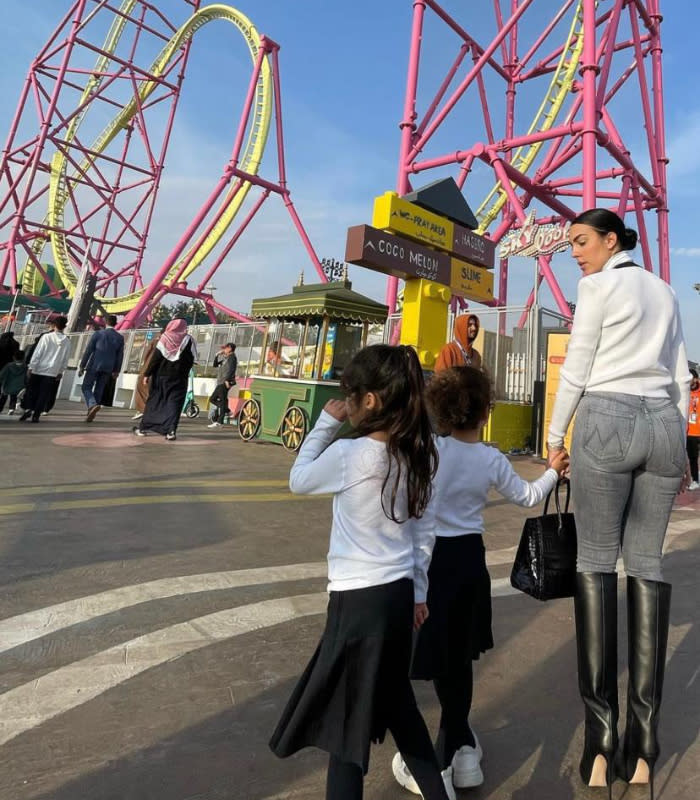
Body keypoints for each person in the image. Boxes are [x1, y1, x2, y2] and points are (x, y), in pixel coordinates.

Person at [546, 209, 690, 795]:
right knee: (648, 564)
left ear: (611, 240)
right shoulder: (664, 291)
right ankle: (646, 747)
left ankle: (602, 743)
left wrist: (555, 437)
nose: (574, 253)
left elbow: (578, 366)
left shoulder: (598, 285)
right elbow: (680, 375)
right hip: (664, 424)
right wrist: (677, 446)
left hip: (606, 416)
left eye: (581, 242)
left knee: (596, 562)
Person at [270, 344, 455, 800]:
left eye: (348, 394)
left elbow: (299, 478)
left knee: (348, 727)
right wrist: (418, 594)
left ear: (369, 401)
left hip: (357, 603)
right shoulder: (416, 455)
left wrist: (324, 424)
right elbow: (422, 534)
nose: (344, 402)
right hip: (395, 597)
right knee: (401, 713)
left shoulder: (350, 455)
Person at [391, 366, 568, 794]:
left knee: (441, 658)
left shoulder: (430, 451)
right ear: (485, 412)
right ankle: (461, 749)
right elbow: (527, 496)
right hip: (471, 561)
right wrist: (553, 470)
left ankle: (444, 762)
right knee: (462, 657)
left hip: (434, 563)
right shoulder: (490, 458)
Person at [133, 319, 197, 441]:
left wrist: (147, 374)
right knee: (175, 403)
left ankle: (143, 428)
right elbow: (191, 359)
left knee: (155, 401)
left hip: (161, 376)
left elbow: (156, 358)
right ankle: (171, 431)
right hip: (180, 378)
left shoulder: (165, 338)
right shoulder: (189, 340)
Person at [19, 315, 71, 423]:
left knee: (32, 391)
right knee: (44, 394)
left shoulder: (46, 337)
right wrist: (61, 371)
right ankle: (36, 415)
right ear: (64, 326)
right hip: (53, 372)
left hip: (39, 368)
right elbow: (65, 358)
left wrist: (31, 367)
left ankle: (28, 408)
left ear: (54, 325)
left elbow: (38, 352)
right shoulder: (67, 341)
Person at [78, 314, 124, 422]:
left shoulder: (98, 334)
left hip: (94, 364)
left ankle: (92, 405)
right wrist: (117, 370)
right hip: (109, 367)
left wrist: (82, 365)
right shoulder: (120, 338)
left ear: (105, 323)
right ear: (115, 323)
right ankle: (91, 412)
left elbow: (89, 350)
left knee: (86, 386)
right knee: (99, 389)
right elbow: (120, 355)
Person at [207, 343, 237, 428]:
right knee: (213, 399)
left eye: (225, 348)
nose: (224, 350)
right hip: (220, 382)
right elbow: (215, 365)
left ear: (230, 348)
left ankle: (219, 421)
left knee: (222, 400)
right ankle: (226, 410)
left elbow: (232, 369)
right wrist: (217, 355)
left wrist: (227, 380)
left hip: (224, 382)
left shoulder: (232, 358)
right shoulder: (225, 358)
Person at [132, 334, 159, 420]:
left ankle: (142, 409)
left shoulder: (157, 339)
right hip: (164, 370)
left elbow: (148, 353)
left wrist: (145, 363)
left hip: (150, 365)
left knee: (142, 385)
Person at [0, 350, 27, 414]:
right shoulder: (25, 366)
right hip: (19, 386)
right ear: (24, 358)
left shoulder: (9, 366)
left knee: (3, 398)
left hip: (8, 385)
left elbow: (2, 374)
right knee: (13, 397)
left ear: (14, 357)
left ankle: (1, 408)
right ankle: (11, 409)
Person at [686, 368, 700, 490]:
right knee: (693, 458)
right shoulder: (685, 392)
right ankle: (695, 480)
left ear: (695, 379)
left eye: (690, 377)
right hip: (690, 431)